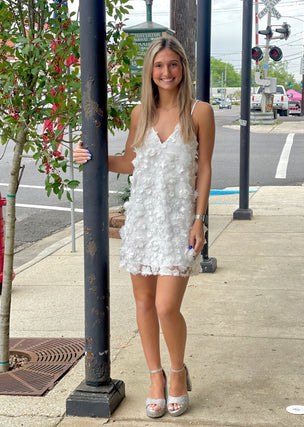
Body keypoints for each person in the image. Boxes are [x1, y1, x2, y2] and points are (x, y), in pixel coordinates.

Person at [74, 36, 215, 418]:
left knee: (167, 306)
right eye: (158, 65)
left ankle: (178, 371)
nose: (166, 72)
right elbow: (131, 162)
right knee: (143, 304)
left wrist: (200, 220)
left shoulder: (200, 112)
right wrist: (93, 155)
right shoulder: (141, 114)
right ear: (149, 72)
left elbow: (204, 170)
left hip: (178, 222)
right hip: (142, 219)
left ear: (182, 68)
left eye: (172, 64)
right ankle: (155, 377)